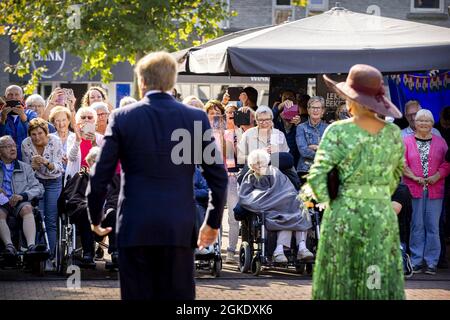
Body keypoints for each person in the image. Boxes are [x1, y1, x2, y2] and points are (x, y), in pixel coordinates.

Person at [86, 51, 228, 300]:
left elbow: (100, 176)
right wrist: (213, 223)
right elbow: (218, 176)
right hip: (178, 226)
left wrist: (95, 218)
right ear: (173, 82)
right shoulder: (194, 117)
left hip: (135, 225)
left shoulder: (122, 117)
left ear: (141, 82)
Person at [306, 64, 405, 299]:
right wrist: (377, 194)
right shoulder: (393, 134)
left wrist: (330, 199)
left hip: (343, 214)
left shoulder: (337, 131)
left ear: (350, 100)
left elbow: (318, 176)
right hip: (380, 215)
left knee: (341, 278)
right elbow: (395, 176)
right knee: (375, 274)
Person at [239, 149, 312, 263]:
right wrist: (266, 199)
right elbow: (245, 196)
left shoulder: (274, 171)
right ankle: (279, 251)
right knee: (285, 217)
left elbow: (286, 189)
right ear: (251, 166)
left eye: (261, 163)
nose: (259, 166)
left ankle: (302, 248)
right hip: (269, 209)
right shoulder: (249, 177)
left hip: (284, 205)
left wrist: (282, 200)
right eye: (256, 164)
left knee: (299, 213)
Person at [403, 109, 449, 275]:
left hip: (435, 189)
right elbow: (402, 164)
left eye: (427, 121)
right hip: (414, 189)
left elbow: (447, 163)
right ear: (415, 123)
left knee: (433, 226)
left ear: (432, 124)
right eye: (420, 121)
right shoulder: (407, 141)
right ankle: (416, 261)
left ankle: (431, 262)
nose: (423, 123)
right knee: (416, 225)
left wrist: (437, 175)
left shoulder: (441, 142)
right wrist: (415, 177)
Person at [62, 146, 118, 268]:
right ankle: (88, 253)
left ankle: (116, 252)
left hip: (106, 216)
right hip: (86, 216)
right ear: (90, 162)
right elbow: (71, 197)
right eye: (95, 160)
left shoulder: (113, 178)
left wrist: (108, 208)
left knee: (113, 212)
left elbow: (117, 197)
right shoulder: (80, 177)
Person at [21, 118, 64, 271]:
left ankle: (49, 257)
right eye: (33, 134)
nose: (37, 137)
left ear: (46, 133)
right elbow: (27, 172)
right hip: (37, 182)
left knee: (51, 220)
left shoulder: (55, 142)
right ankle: (36, 257)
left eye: (40, 133)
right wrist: (32, 166)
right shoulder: (26, 144)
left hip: (53, 182)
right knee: (39, 218)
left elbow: (59, 167)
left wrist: (46, 162)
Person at [0, 135, 45, 257]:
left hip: (20, 202)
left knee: (27, 208)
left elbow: (39, 188)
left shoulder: (25, 167)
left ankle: (31, 247)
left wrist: (23, 196)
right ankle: (9, 247)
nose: (13, 149)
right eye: (8, 146)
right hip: (1, 203)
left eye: (14, 146)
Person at [65, 107, 103, 182]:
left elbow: (102, 160)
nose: (86, 119)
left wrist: (94, 143)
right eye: (83, 117)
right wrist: (78, 140)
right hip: (76, 180)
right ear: (78, 121)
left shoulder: (101, 138)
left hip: (95, 178)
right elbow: (71, 158)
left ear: (94, 121)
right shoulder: (72, 137)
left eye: (90, 117)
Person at [296, 96, 328, 184]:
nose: (315, 110)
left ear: (323, 111)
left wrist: (315, 147)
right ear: (308, 110)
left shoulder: (329, 128)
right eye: (313, 107)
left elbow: (330, 151)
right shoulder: (301, 127)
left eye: (318, 108)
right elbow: (303, 151)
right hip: (305, 169)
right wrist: (321, 151)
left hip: (324, 169)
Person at [1, 85, 37, 160]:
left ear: (22, 98)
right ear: (5, 98)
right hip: (5, 159)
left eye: (17, 94)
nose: (13, 97)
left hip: (26, 158)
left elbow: (35, 135)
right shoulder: (1, 115)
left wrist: (23, 117)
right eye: (10, 94)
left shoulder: (31, 114)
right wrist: (3, 119)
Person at [272, 90, 302, 167]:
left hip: (294, 162)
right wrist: (278, 107)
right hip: (276, 161)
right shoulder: (275, 119)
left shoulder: (300, 120)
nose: (287, 99)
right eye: (285, 97)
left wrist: (298, 125)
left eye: (290, 97)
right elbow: (267, 119)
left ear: (295, 101)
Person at [391, 182, 413, 278]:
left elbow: (393, 211)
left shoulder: (401, 189)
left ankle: (405, 259)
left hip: (396, 238)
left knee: (396, 274)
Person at [49, 106, 75, 173]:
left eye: (64, 120)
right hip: (55, 176)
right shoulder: (49, 138)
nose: (61, 124)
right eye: (57, 121)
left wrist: (70, 162)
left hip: (72, 176)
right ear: (53, 123)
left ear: (69, 121)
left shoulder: (75, 137)